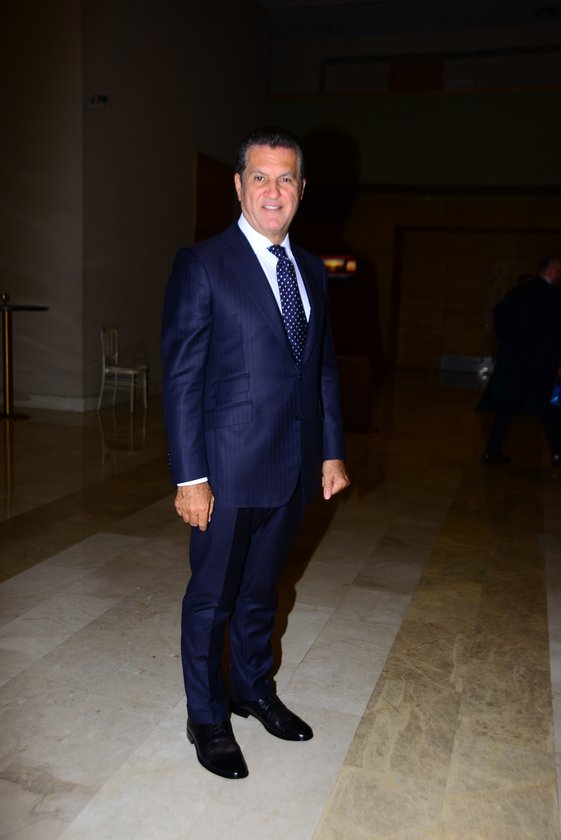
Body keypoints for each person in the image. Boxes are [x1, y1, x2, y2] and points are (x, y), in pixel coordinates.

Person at [161, 127, 350, 780]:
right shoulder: (203, 264)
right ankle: (207, 717)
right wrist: (191, 477)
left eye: (286, 178)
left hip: (293, 467)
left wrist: (330, 451)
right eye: (261, 177)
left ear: (301, 188)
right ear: (239, 186)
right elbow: (182, 379)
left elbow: (321, 369)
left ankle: (252, 690)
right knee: (211, 599)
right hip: (226, 471)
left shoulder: (312, 271)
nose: (274, 190)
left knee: (262, 593)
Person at [481, 254, 561, 466]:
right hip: (541, 363)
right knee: (546, 410)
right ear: (551, 270)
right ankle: (558, 453)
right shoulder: (554, 296)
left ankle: (491, 451)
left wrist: (508, 342)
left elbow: (498, 312)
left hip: (516, 361)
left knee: (506, 407)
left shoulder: (521, 291)